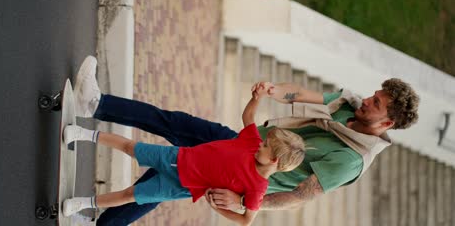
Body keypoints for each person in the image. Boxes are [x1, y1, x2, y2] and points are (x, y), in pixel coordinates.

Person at [73, 56, 420, 225]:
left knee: (157, 184)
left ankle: (98, 219)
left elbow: (298, 197)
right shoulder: (353, 107)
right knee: (172, 125)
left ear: (387, 122)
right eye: (375, 94)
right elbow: (302, 95)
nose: (368, 101)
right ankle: (97, 103)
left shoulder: (352, 160)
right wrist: (273, 90)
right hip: (243, 142)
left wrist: (242, 201)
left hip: (242, 175)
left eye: (376, 104)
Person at [63, 77, 305, 226]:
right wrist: (257, 97)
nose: (260, 144)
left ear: (273, 160)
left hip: (179, 186)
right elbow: (248, 116)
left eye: (265, 146)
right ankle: (82, 133)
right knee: (130, 147)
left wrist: (217, 208)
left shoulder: (257, 189)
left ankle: (82, 205)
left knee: (130, 195)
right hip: (176, 157)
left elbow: (245, 220)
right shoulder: (252, 143)